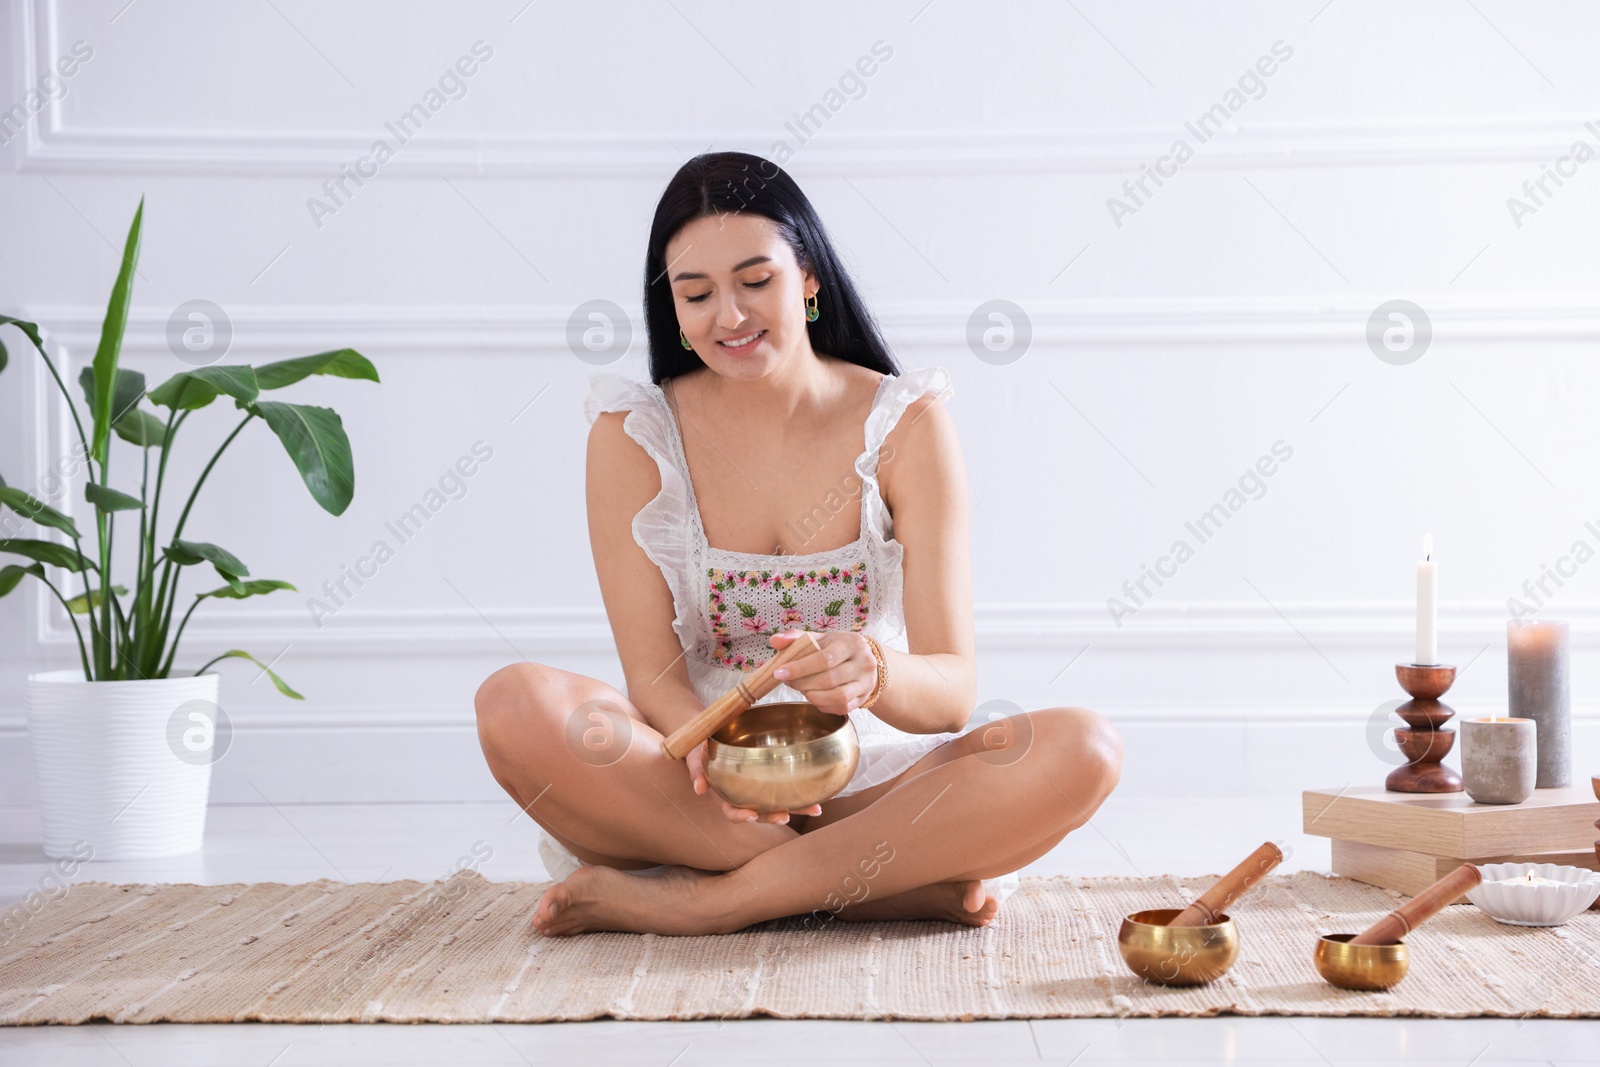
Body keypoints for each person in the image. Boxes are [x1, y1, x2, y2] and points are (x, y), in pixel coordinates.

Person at [474, 151, 1121, 937]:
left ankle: (719, 898)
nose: (730, 316)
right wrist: (718, 764)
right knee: (514, 704)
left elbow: (951, 691)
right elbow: (653, 675)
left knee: (1082, 747)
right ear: (670, 306)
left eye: (756, 281)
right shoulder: (632, 433)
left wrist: (873, 669)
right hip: (698, 790)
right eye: (697, 293)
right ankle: (870, 880)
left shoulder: (904, 422)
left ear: (808, 277)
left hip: (870, 783)